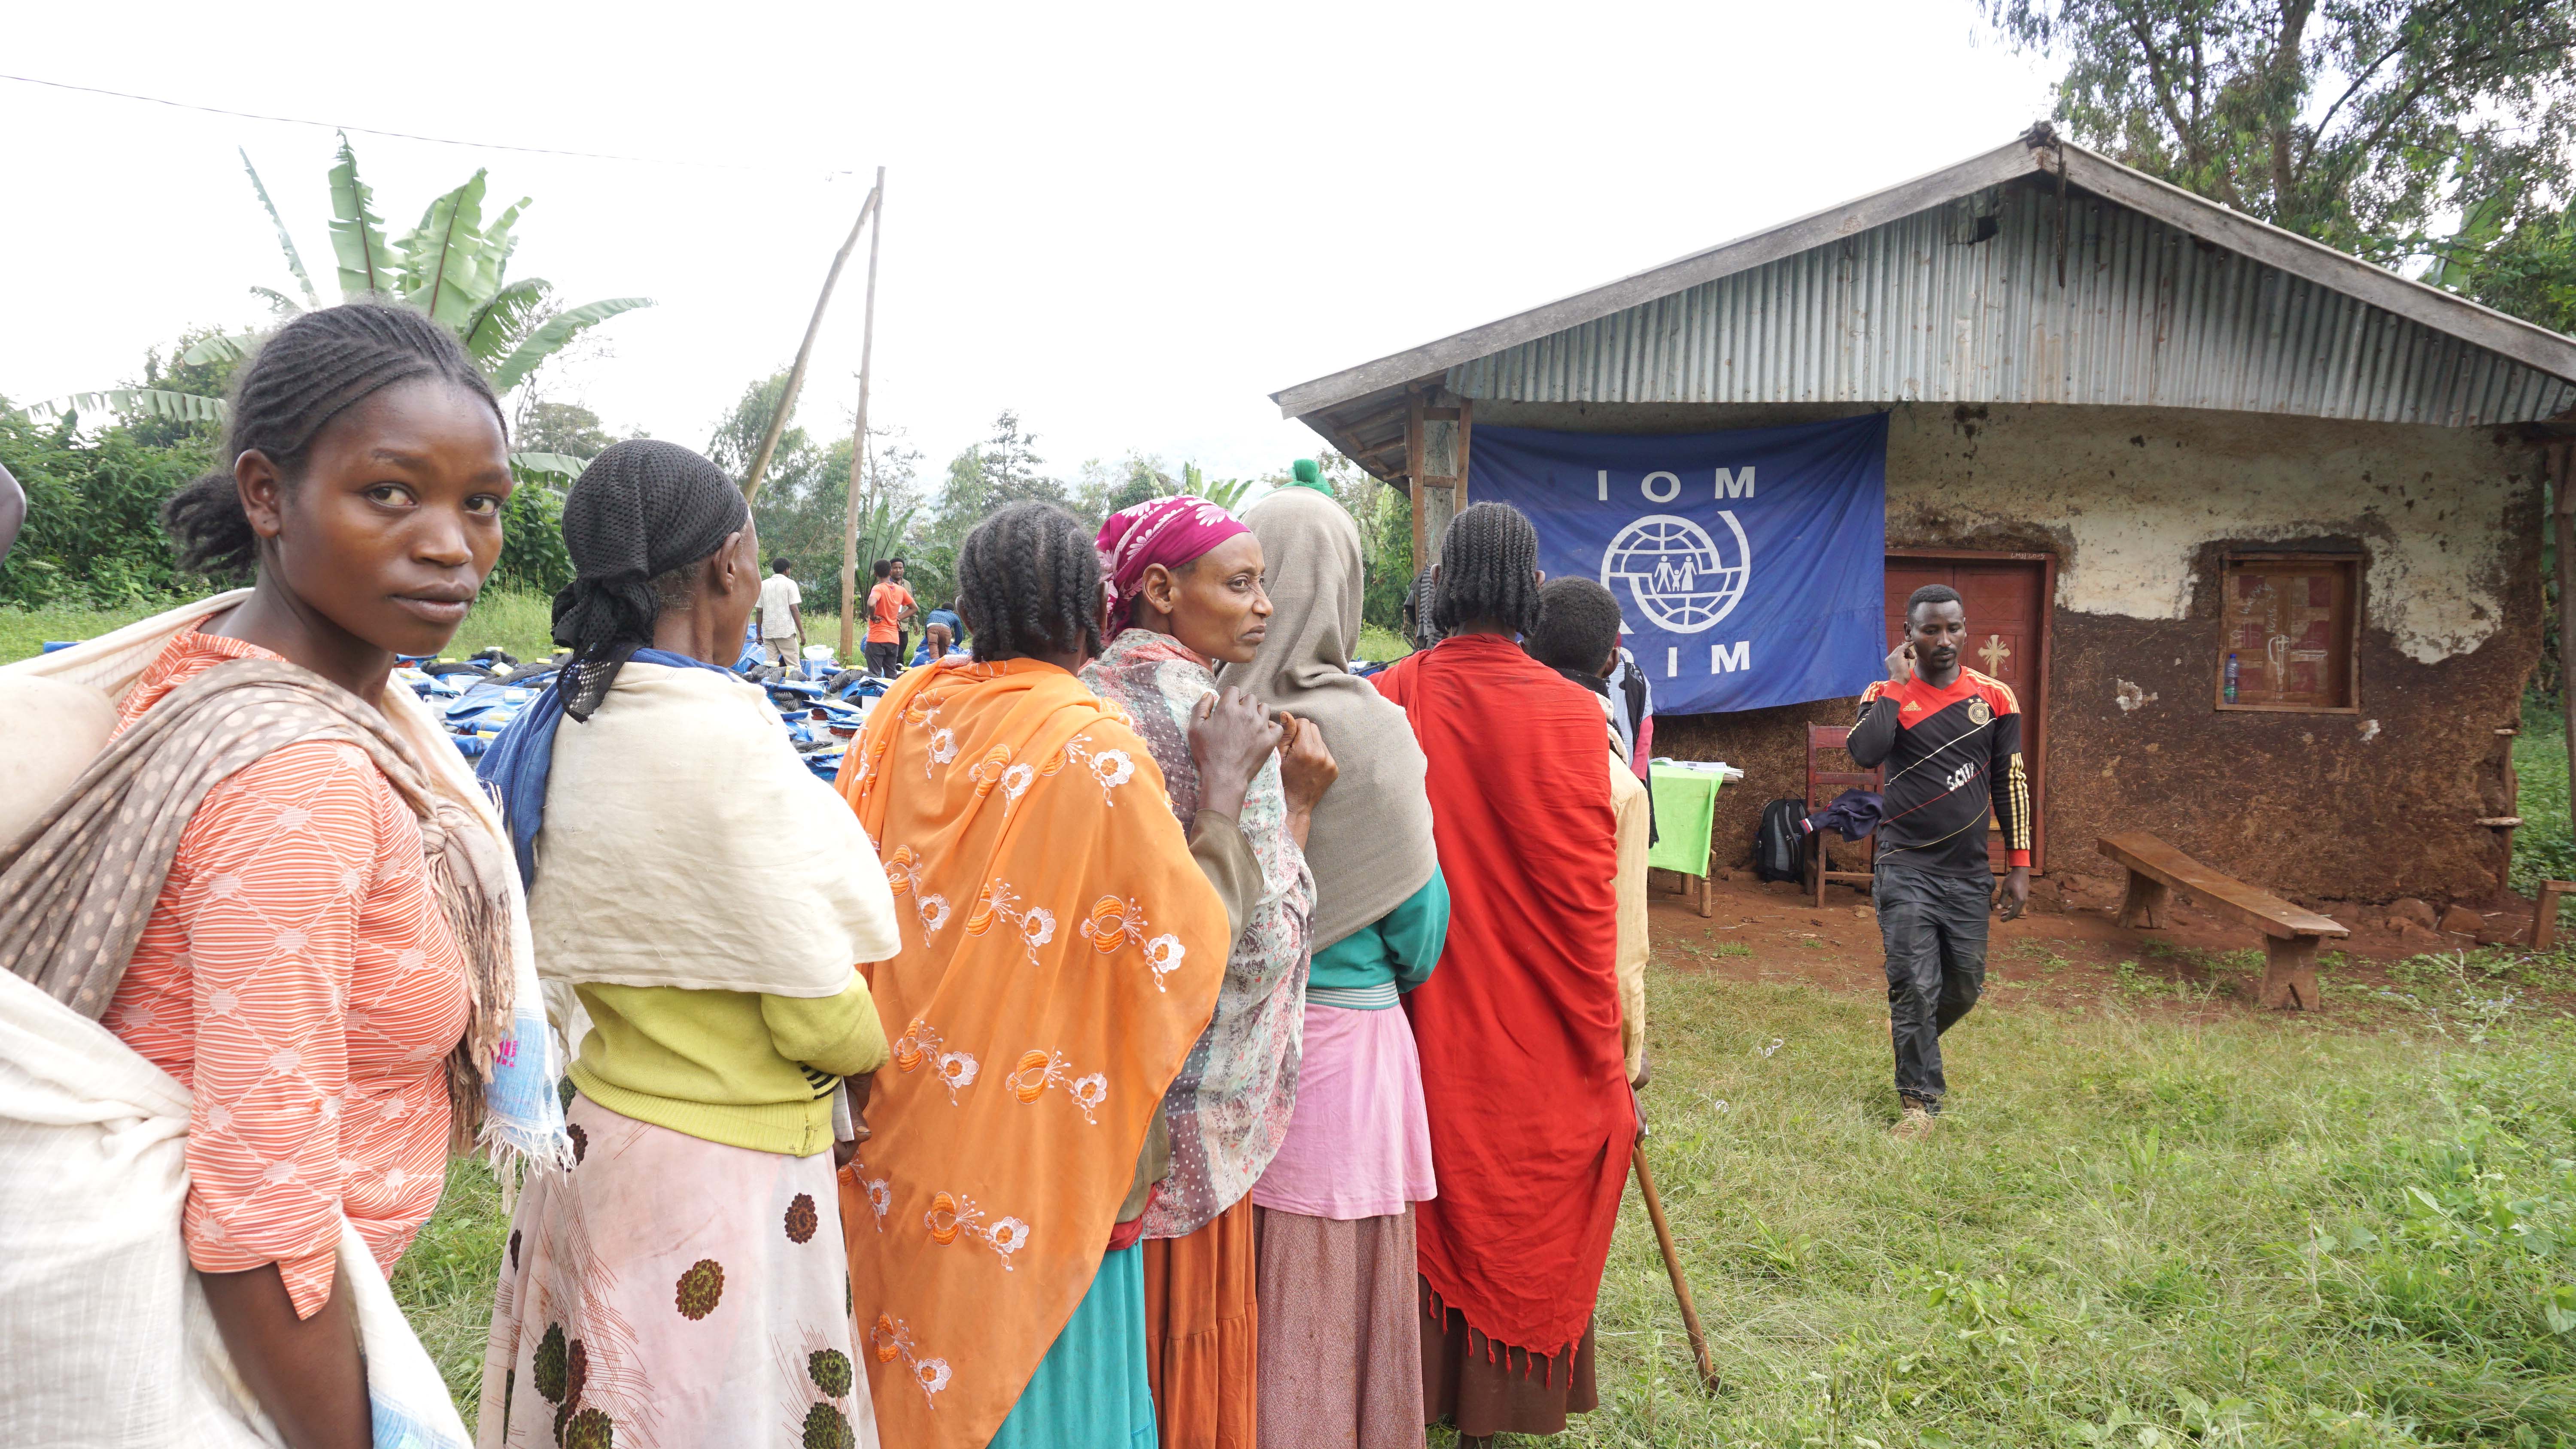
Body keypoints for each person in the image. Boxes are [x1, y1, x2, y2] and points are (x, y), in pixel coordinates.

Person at [0, 303, 561, 1446]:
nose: (452, 543)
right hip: (227, 1365)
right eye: (391, 493)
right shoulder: (299, 781)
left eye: (482, 503)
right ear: (267, 494)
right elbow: (258, 1222)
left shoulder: (202, 680)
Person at [474, 442, 902, 1449]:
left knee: (606, 1396)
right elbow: (808, 986)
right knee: (718, 1410)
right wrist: (869, 1050)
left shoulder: (564, 720)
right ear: (727, 566)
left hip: (596, 1137)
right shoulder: (722, 738)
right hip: (723, 1176)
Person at [836, 501, 1271, 1449]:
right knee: (1037, 1381)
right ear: (1096, 609)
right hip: (1036, 1149)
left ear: (969, 607)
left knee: (900, 1355)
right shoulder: (1096, 749)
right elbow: (1183, 948)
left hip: (893, 1125)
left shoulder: (899, 714)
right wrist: (1226, 795)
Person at [1370, 502, 1631, 1446]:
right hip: (1547, 1004)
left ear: (1443, 586)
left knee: (1434, 1172)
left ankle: (1424, 1387)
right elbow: (1588, 898)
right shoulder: (1575, 712)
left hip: (1424, 1000)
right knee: (1520, 1166)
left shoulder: (1394, 690)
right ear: (1527, 592)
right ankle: (1495, 1406)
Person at [1083, 494, 1334, 1449]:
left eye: (1265, 581)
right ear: (1159, 588)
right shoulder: (1223, 722)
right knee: (1179, 1357)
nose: (1264, 604)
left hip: (1095, 1104)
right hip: (1186, 1120)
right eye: (1239, 583)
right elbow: (1257, 940)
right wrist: (1300, 813)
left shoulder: (1083, 698)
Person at [1223, 483, 1448, 1449]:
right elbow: (1421, 933)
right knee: (1329, 1274)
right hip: (1347, 1050)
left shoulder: (1204, 715)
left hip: (1219, 1049)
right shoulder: (1373, 730)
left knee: (1240, 1272)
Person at [1846, 582, 2032, 1138]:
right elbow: (1864, 753)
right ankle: (1919, 1105)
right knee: (1913, 984)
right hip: (1904, 867)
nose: (1944, 639)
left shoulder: (1996, 698)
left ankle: (1911, 1032)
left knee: (1965, 987)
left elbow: (2011, 780)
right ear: (1909, 636)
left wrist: (2019, 863)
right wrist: (1897, 686)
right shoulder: (1885, 692)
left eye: (1953, 628)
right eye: (1931, 630)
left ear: (1965, 630)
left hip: (1969, 874)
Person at [1525, 578, 1653, 1090]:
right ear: (1609, 663)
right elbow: (1626, 949)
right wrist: (1630, 1056)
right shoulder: (1619, 786)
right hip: (1574, 1037)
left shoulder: (1481, 746)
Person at [865, 558, 915, 678]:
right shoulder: (901, 589)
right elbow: (914, 608)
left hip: (877, 639)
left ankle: (877, 697)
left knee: (875, 676)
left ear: (876, 574)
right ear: (891, 572)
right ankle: (892, 696)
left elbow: (871, 603)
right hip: (893, 640)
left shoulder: (879, 588)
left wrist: (873, 616)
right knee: (891, 674)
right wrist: (899, 618)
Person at [758, 555, 805, 669]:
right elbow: (794, 609)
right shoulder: (790, 584)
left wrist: (758, 634)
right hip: (785, 631)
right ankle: (794, 686)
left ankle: (770, 685)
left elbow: (759, 611)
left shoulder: (763, 585)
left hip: (768, 632)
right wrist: (802, 632)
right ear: (787, 570)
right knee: (794, 666)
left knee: (771, 665)